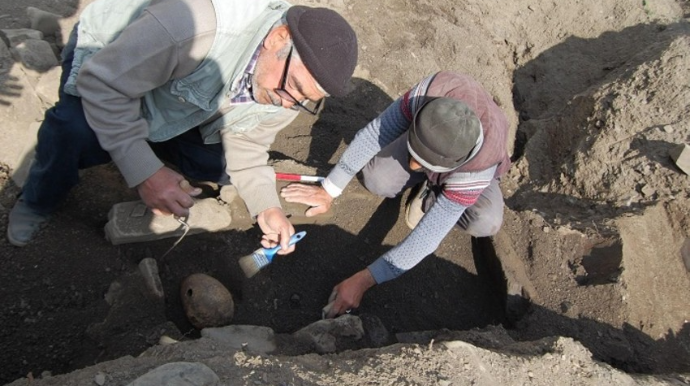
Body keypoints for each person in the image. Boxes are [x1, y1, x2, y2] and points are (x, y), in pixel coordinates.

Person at [7, 0, 358, 253]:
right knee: (72, 130)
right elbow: (102, 86)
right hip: (112, 60)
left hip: (180, 98)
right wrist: (146, 173)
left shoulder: (289, 86)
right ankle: (38, 198)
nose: (287, 103)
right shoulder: (195, 26)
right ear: (279, 38)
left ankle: (147, 144)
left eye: (301, 100)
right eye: (291, 89)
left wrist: (267, 207)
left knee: (217, 167)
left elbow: (248, 149)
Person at [280, 71, 511, 318]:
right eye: (416, 156)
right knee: (377, 179)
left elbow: (427, 237)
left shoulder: (477, 167)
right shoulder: (430, 93)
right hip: (432, 135)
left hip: (466, 169)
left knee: (486, 221)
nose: (413, 165)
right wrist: (329, 189)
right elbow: (372, 134)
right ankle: (422, 165)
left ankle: (432, 194)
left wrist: (365, 279)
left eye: (423, 164)